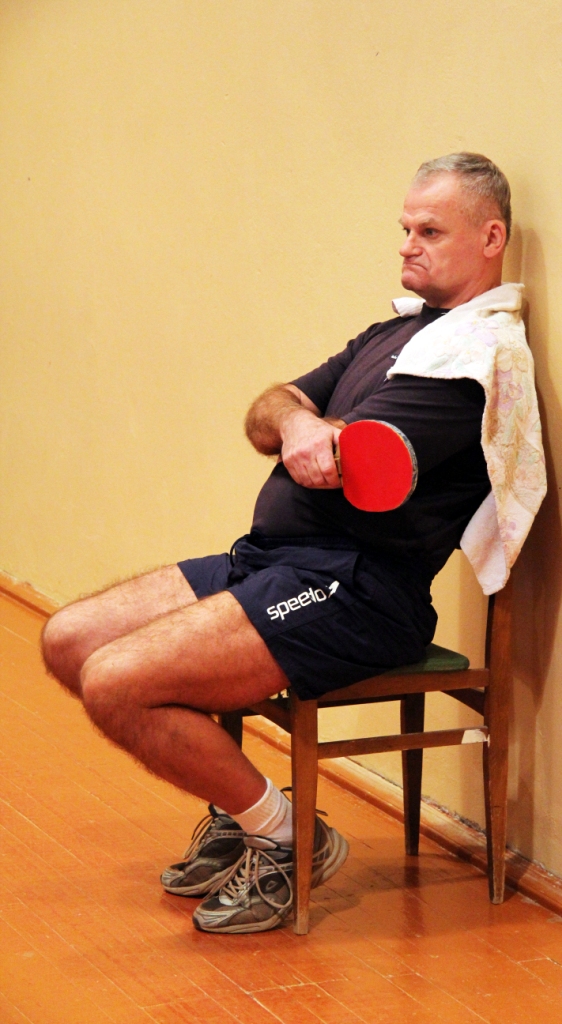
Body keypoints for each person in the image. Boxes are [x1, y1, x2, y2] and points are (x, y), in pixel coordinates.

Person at [41, 152, 510, 935]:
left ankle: (287, 839)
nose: (406, 245)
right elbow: (270, 410)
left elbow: (349, 462)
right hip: (271, 562)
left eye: (429, 231)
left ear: (490, 238)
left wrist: (308, 428)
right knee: (69, 638)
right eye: (404, 228)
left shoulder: (475, 362)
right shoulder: (395, 332)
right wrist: (297, 420)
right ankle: (244, 814)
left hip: (357, 590)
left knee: (116, 681)